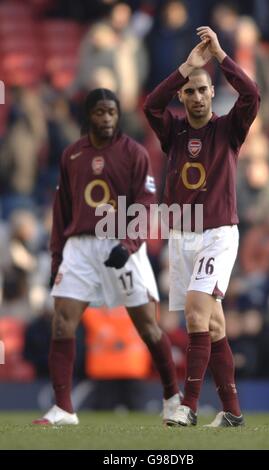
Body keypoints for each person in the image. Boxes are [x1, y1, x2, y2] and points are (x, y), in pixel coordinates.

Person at [33, 88, 180, 425]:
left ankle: (173, 398)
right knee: (61, 321)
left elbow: (146, 204)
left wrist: (128, 244)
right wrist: (57, 259)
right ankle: (64, 408)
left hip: (120, 241)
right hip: (81, 246)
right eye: (100, 112)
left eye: (112, 112)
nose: (107, 118)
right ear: (89, 116)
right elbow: (62, 211)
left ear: (118, 115)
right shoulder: (72, 155)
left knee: (147, 326)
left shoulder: (135, 153)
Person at [144, 26, 260, 427]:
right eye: (189, 91)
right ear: (182, 96)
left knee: (195, 315)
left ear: (213, 93)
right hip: (181, 236)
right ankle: (232, 414)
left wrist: (222, 56)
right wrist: (186, 68)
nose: (196, 96)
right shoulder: (173, 132)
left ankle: (188, 406)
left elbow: (252, 95)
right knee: (212, 325)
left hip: (217, 234)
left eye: (202, 89)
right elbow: (150, 106)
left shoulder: (229, 129)